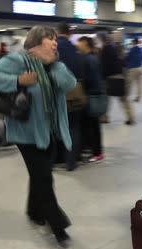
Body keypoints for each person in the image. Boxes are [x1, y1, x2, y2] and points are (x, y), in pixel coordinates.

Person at [0, 26, 77, 248]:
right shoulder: (19, 60)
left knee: (39, 174)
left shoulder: (55, 63)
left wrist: (53, 64)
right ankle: (57, 225)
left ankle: (33, 211)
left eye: (55, 40)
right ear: (37, 41)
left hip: (50, 131)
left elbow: (69, 84)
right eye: (50, 39)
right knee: (44, 177)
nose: (55, 43)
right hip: (25, 133)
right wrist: (18, 81)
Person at [57, 22, 83, 171]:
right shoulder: (75, 49)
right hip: (74, 92)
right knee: (73, 127)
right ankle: (71, 162)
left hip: (57, 93)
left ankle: (54, 160)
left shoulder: (53, 48)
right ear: (69, 33)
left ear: (57, 31)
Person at [77, 36, 104, 163]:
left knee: (93, 126)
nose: (78, 45)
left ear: (85, 44)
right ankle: (96, 151)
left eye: (80, 43)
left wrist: (80, 81)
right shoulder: (91, 57)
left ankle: (97, 153)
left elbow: (91, 78)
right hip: (93, 94)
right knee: (93, 126)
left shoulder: (89, 58)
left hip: (91, 95)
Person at [99, 33, 133, 125]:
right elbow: (121, 61)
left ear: (102, 41)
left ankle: (104, 117)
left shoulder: (105, 50)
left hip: (109, 78)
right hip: (120, 76)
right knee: (123, 98)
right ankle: (130, 117)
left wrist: (102, 78)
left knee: (105, 99)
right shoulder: (114, 49)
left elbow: (104, 66)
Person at [127, 38, 142, 103]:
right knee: (139, 84)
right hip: (140, 68)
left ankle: (126, 96)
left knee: (129, 83)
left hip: (133, 68)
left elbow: (128, 57)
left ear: (134, 42)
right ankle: (138, 97)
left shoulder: (132, 49)